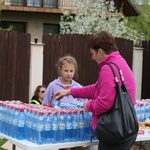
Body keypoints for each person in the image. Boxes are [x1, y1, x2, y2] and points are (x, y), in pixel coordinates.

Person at [54, 30, 138, 150]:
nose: (93, 57)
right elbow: (97, 89)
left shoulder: (108, 69)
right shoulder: (119, 62)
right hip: (126, 125)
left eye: (93, 53)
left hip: (115, 129)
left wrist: (88, 105)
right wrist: (70, 92)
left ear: (100, 51)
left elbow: (104, 103)